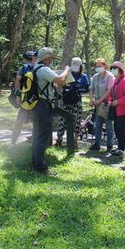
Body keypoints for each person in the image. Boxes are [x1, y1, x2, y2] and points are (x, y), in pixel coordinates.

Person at [31, 47, 70, 175]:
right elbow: (60, 81)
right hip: (43, 105)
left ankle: (36, 162)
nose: (51, 60)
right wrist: (66, 70)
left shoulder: (35, 68)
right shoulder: (44, 69)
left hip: (36, 105)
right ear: (46, 58)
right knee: (43, 135)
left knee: (37, 134)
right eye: (51, 58)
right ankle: (40, 167)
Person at [55, 57, 90, 147]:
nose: (75, 67)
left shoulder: (83, 76)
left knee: (76, 121)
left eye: (77, 65)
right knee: (62, 121)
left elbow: (87, 89)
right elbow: (59, 85)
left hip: (76, 101)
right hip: (65, 100)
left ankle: (74, 141)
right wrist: (66, 86)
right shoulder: (67, 74)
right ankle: (59, 140)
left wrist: (78, 89)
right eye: (74, 64)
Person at [107, 61, 125, 157]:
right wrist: (110, 101)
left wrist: (118, 101)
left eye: (115, 68)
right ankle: (118, 147)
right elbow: (111, 93)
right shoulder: (114, 80)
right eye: (112, 68)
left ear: (120, 70)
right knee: (116, 129)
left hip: (123, 109)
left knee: (121, 129)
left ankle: (121, 148)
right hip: (115, 109)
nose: (113, 70)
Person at [11, 51, 37, 144]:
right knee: (35, 122)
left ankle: (13, 142)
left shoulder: (24, 68)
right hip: (36, 99)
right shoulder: (27, 68)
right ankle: (14, 142)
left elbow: (17, 82)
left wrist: (18, 95)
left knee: (19, 122)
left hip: (26, 99)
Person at [89, 58, 114, 152]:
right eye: (97, 66)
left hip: (107, 104)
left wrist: (100, 100)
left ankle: (110, 145)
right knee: (97, 125)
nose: (98, 68)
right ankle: (97, 144)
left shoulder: (110, 76)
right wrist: (91, 99)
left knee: (109, 125)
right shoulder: (95, 77)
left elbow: (109, 90)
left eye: (100, 66)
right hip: (98, 105)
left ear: (105, 66)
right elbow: (91, 89)